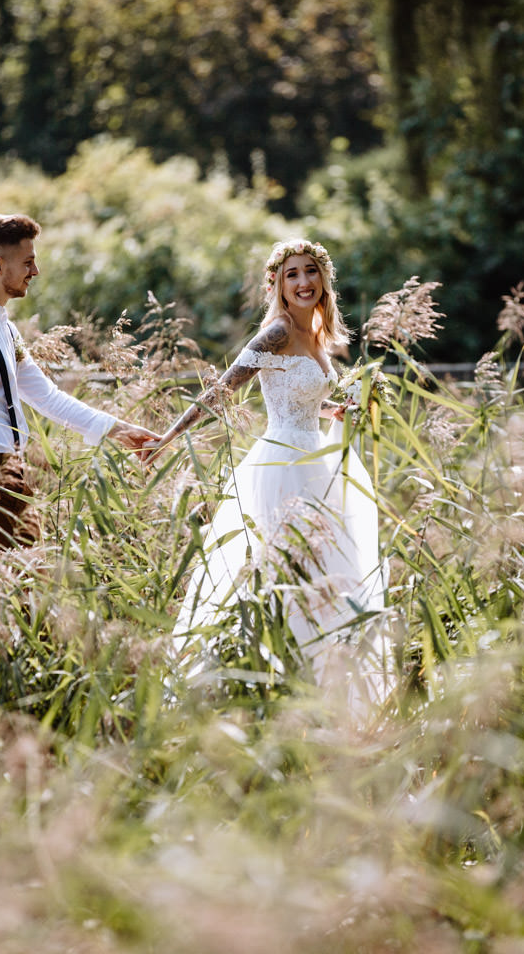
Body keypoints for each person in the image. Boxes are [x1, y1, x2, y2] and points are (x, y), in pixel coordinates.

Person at [141, 239, 391, 707]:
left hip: (315, 462)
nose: (302, 282)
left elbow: (303, 400)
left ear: (323, 280)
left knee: (323, 570)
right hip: (280, 467)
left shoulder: (317, 336)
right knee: (278, 571)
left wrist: (338, 408)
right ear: (277, 284)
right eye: (291, 274)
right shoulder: (275, 333)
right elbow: (221, 390)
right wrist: (168, 438)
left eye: (310, 272)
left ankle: (319, 689)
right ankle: (254, 683)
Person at [0, 213, 158, 582]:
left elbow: (49, 398)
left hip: (9, 475)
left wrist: (119, 431)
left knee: (23, 595)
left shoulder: (1, 326)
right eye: (28, 262)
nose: (35, 271)